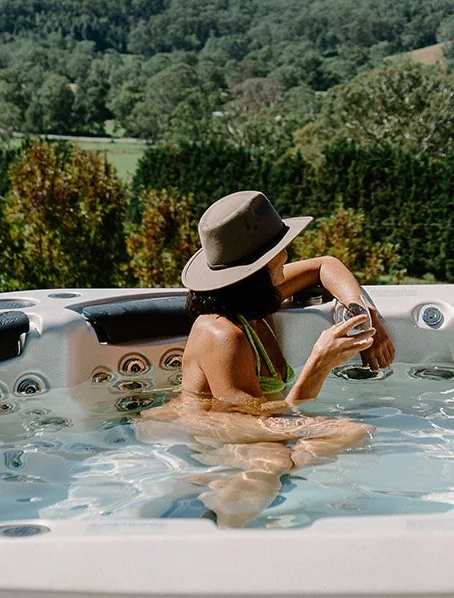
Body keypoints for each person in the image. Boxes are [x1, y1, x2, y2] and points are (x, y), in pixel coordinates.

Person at [143, 190, 395, 525]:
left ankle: (230, 486)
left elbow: (325, 265)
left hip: (248, 418)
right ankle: (215, 525)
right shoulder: (223, 334)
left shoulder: (258, 297)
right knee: (272, 459)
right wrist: (318, 364)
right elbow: (254, 423)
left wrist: (364, 313)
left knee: (352, 432)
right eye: (278, 253)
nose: (286, 256)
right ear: (255, 271)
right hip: (202, 426)